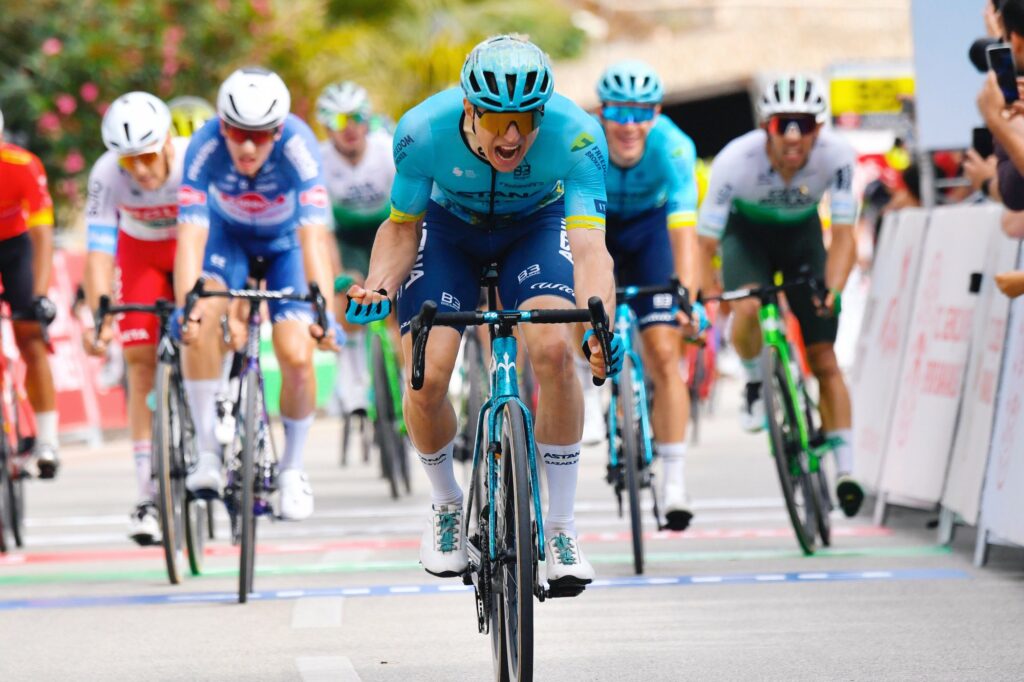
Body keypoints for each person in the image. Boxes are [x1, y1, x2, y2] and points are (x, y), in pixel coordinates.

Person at [346, 35, 620, 587]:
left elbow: (591, 249)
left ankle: (562, 529)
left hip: (534, 231)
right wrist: (378, 285)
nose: (514, 136)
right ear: (470, 109)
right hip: (448, 235)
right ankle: (447, 503)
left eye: (525, 119)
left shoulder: (579, 136)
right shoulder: (422, 132)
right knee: (426, 376)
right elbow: (402, 227)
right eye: (499, 119)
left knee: (554, 353)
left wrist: (598, 324)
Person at [173, 67, 338, 521]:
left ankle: (292, 470)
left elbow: (314, 238)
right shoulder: (203, 145)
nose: (247, 147)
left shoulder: (300, 147)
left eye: (261, 135)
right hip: (229, 242)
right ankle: (207, 452)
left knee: (298, 356)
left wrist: (323, 308)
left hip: (286, 247)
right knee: (202, 312)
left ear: (279, 130)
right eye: (236, 132)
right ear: (221, 125)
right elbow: (189, 236)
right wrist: (185, 305)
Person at [697, 75, 864, 517]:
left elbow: (846, 236)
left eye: (804, 124)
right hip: (746, 237)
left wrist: (834, 288)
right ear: (766, 126)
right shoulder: (735, 160)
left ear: (818, 128)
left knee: (824, 357)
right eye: (782, 124)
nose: (793, 136)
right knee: (748, 304)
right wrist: (710, 293)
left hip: (802, 236)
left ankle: (846, 470)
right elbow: (705, 243)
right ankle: (755, 380)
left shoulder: (840, 156)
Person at [594, 60, 705, 530]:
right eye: (619, 113)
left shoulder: (675, 147)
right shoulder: (584, 144)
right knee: (583, 317)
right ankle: (587, 387)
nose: (630, 125)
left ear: (656, 112)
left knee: (663, 353)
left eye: (642, 113)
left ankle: (675, 481)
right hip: (595, 228)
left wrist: (688, 298)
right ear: (602, 113)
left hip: (649, 235)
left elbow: (684, 232)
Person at [83, 92, 190, 545]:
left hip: (192, 244)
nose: (141, 171)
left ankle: (219, 404)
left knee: (203, 331)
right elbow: (99, 252)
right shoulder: (107, 174)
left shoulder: (193, 159)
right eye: (130, 163)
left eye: (147, 156)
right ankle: (147, 493)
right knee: (140, 363)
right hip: (141, 252)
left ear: (167, 140)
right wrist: (100, 318)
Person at [315, 81, 396, 417]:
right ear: (325, 126)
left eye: (357, 116)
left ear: (369, 119)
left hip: (385, 229)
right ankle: (351, 387)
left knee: (393, 303)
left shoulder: (387, 148)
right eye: (338, 120)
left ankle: (402, 378)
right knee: (348, 293)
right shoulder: (319, 161)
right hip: (345, 237)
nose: (349, 127)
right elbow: (322, 231)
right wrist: (336, 276)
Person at [0, 106, 59, 479]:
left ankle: (47, 442)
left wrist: (39, 295)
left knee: (30, 335)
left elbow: (42, 234)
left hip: (16, 245)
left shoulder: (22, 165)